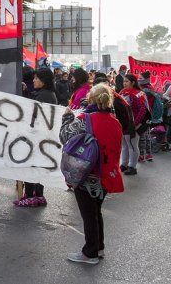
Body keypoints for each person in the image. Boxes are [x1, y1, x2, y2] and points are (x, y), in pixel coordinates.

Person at [61, 84, 124, 265]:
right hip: (106, 175)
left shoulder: (84, 119)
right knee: (96, 212)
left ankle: (90, 253)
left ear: (91, 99)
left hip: (87, 174)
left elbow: (64, 136)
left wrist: (66, 117)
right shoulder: (115, 121)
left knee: (89, 215)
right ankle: (99, 247)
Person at [14, 68, 57, 207]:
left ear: (43, 81)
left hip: (36, 138)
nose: (33, 81)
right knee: (38, 166)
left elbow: (33, 115)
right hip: (42, 139)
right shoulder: (47, 94)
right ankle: (38, 195)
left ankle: (31, 195)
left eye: (36, 78)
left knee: (31, 166)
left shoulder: (43, 96)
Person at [119, 74, 147, 175]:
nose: (124, 83)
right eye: (124, 81)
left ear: (133, 82)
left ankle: (132, 166)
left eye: (126, 81)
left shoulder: (139, 94)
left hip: (133, 124)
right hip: (123, 124)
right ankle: (124, 164)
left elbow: (142, 110)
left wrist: (135, 124)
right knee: (125, 146)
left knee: (132, 145)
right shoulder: (122, 92)